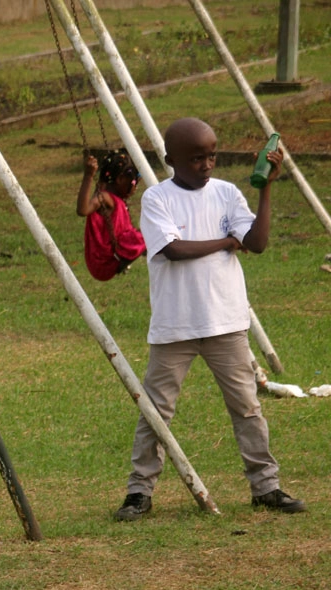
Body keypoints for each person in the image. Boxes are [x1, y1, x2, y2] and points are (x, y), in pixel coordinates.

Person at [114, 117, 306, 521]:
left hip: (227, 323)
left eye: (212, 155)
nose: (207, 164)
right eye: (196, 157)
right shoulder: (157, 199)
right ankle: (139, 492)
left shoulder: (228, 193)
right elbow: (173, 249)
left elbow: (257, 243)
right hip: (175, 327)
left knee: (248, 408)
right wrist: (225, 241)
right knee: (156, 411)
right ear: (171, 160)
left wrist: (267, 187)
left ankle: (266, 486)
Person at [76, 149, 146, 281]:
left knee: (146, 234)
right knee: (150, 234)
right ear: (120, 179)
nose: (135, 189)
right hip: (106, 261)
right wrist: (88, 176)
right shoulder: (105, 197)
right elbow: (82, 210)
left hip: (110, 258)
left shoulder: (110, 196)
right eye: (134, 183)